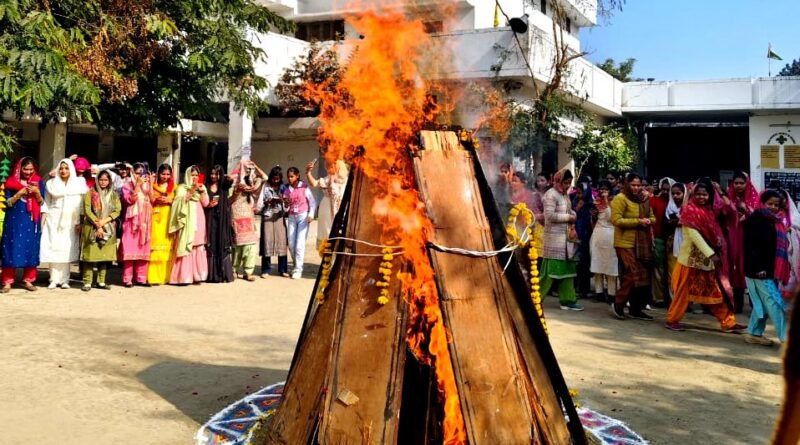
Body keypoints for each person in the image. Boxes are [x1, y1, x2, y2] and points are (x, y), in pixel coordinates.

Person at [665, 179, 745, 332]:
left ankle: (728, 322)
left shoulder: (709, 210)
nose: (701, 197)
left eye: (705, 194)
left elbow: (728, 210)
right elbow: (694, 236)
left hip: (707, 262)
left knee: (714, 291)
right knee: (682, 292)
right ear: (694, 194)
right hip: (690, 260)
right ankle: (672, 319)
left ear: (710, 195)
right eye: (699, 194)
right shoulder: (689, 210)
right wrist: (711, 254)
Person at [742, 190, 789, 346]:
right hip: (758, 272)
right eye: (770, 204)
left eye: (776, 204)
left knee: (762, 305)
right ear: (762, 203)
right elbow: (750, 248)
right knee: (775, 304)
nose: (774, 207)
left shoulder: (775, 221)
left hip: (769, 270)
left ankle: (753, 333)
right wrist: (759, 267)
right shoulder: (754, 221)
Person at [610, 173, 655, 320]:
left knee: (642, 276)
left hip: (642, 243)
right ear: (627, 184)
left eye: (638, 185)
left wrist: (648, 221)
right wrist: (638, 221)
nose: (636, 188)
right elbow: (616, 220)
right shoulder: (620, 198)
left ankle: (636, 308)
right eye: (633, 185)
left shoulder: (644, 199)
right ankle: (618, 304)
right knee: (631, 273)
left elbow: (653, 217)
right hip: (624, 242)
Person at [40, 158, 88, 289]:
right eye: (61, 168)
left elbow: (84, 205)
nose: (63, 171)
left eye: (66, 168)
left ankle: (65, 279)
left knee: (66, 249)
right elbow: (46, 204)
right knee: (54, 248)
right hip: (54, 220)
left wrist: (81, 222)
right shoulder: (51, 184)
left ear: (71, 169)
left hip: (72, 221)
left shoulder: (79, 183)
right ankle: (53, 279)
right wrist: (43, 222)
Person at [540, 168, 583, 311]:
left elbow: (567, 210)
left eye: (569, 183)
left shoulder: (564, 195)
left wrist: (573, 212)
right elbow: (550, 216)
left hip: (566, 241)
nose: (567, 186)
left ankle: (568, 301)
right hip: (554, 240)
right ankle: (535, 299)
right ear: (558, 181)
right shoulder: (551, 195)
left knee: (568, 272)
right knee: (549, 273)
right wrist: (569, 217)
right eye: (565, 183)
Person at [1, 157, 45, 292]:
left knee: (30, 248)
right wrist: (19, 194)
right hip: (14, 220)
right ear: (19, 168)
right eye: (25, 169)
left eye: (31, 169)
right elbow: (6, 203)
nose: (28, 172)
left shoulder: (38, 182)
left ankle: (29, 280)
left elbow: (42, 203)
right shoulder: (11, 182)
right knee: (11, 248)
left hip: (31, 221)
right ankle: (7, 281)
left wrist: (37, 193)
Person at [80, 170, 121, 291]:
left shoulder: (114, 195)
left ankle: (101, 281)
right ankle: (87, 282)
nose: (103, 182)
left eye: (106, 180)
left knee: (104, 256)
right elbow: (87, 211)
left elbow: (117, 210)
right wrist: (98, 225)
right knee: (90, 256)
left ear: (109, 181)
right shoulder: (89, 194)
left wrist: (105, 221)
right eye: (101, 179)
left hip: (108, 227)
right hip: (92, 226)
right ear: (97, 180)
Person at [169, 166, 210, 284]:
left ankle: (198, 275)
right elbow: (179, 201)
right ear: (187, 175)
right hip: (186, 218)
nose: (195, 177)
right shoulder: (182, 187)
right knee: (187, 244)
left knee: (198, 245)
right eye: (192, 175)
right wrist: (192, 190)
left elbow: (206, 203)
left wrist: (202, 191)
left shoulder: (201, 187)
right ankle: (184, 277)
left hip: (199, 217)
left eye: (196, 175)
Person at [726, 171, 760, 313]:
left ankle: (755, 306)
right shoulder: (729, 197)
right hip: (734, 238)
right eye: (736, 183)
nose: (739, 186)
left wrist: (746, 211)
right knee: (735, 270)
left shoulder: (755, 198)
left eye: (742, 183)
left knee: (750, 270)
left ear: (747, 184)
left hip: (750, 239)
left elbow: (758, 217)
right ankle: (737, 305)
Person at [119, 163, 152, 287]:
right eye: (137, 173)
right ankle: (127, 279)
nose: (140, 175)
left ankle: (141, 278)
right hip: (131, 222)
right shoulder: (127, 186)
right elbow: (129, 200)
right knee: (129, 248)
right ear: (133, 173)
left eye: (142, 173)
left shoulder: (148, 187)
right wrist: (137, 185)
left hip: (145, 221)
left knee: (143, 248)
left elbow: (153, 200)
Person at [230, 160, 263, 281]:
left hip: (248, 217)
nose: (249, 171)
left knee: (250, 245)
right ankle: (234, 269)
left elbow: (264, 177)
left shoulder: (252, 181)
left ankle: (248, 271)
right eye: (247, 168)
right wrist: (237, 190)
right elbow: (229, 199)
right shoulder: (232, 181)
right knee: (237, 245)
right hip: (237, 215)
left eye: (250, 169)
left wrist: (256, 165)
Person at [306, 158, 348, 248]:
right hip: (327, 209)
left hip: (341, 208)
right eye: (327, 166)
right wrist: (308, 172)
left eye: (331, 165)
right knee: (327, 232)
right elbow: (313, 183)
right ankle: (327, 257)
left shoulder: (346, 180)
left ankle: (337, 256)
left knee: (341, 232)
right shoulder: (327, 178)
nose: (328, 168)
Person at [205, 165, 234, 283]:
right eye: (212, 174)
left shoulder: (223, 186)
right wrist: (209, 205)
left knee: (222, 243)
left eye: (216, 174)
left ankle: (223, 274)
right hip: (210, 219)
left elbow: (231, 180)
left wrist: (228, 177)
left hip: (222, 220)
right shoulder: (205, 186)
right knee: (211, 244)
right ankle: (212, 275)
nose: (213, 176)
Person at [258, 166, 289, 278]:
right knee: (267, 240)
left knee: (282, 241)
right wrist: (267, 203)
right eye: (274, 178)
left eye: (278, 178)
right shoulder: (265, 186)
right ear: (271, 177)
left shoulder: (284, 187)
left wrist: (284, 202)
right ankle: (265, 270)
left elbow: (287, 204)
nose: (276, 180)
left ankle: (283, 269)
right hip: (267, 215)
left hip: (279, 216)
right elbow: (260, 201)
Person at [590, 180, 618, 303]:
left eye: (606, 189)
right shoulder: (595, 202)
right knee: (597, 263)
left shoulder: (615, 201)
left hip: (611, 234)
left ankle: (612, 294)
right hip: (598, 233)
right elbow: (593, 220)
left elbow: (610, 217)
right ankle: (599, 292)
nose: (603, 191)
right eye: (601, 188)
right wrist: (593, 215)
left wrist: (606, 201)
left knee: (611, 265)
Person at [147, 163, 175, 285]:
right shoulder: (152, 186)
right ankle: (152, 276)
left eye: (168, 174)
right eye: (163, 174)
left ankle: (165, 276)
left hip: (168, 216)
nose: (165, 176)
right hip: (155, 215)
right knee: (155, 242)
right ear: (158, 174)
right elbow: (148, 198)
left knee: (167, 243)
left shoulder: (174, 187)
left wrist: (170, 200)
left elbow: (179, 200)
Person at [651, 177, 675, 307]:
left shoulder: (675, 203)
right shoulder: (654, 201)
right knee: (658, 270)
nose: (666, 192)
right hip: (658, 238)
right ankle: (658, 298)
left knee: (672, 271)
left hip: (672, 239)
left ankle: (672, 298)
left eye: (668, 189)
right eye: (663, 189)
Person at [665, 183, 688, 301]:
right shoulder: (669, 208)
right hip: (672, 244)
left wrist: (678, 222)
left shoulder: (690, 207)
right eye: (673, 193)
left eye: (678, 193)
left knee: (686, 274)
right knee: (673, 272)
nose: (675, 196)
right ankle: (674, 299)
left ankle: (686, 301)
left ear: (684, 194)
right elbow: (669, 223)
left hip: (688, 244)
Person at [572, 180, 595, 299]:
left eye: (581, 193)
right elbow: (572, 216)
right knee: (576, 262)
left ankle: (584, 289)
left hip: (588, 236)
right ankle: (576, 288)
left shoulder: (591, 204)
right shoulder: (575, 201)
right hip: (576, 234)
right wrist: (577, 208)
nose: (579, 195)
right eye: (578, 192)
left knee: (585, 263)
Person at [779, 190, 800, 300]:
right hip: (779, 250)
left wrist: (790, 230)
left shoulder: (795, 216)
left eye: (784, 200)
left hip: (793, 251)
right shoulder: (775, 216)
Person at [531, 173, 549, 255]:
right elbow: (532, 211)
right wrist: (538, 216)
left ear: (548, 182)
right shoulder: (534, 195)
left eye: (542, 180)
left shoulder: (551, 195)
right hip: (538, 226)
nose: (540, 183)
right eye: (538, 181)